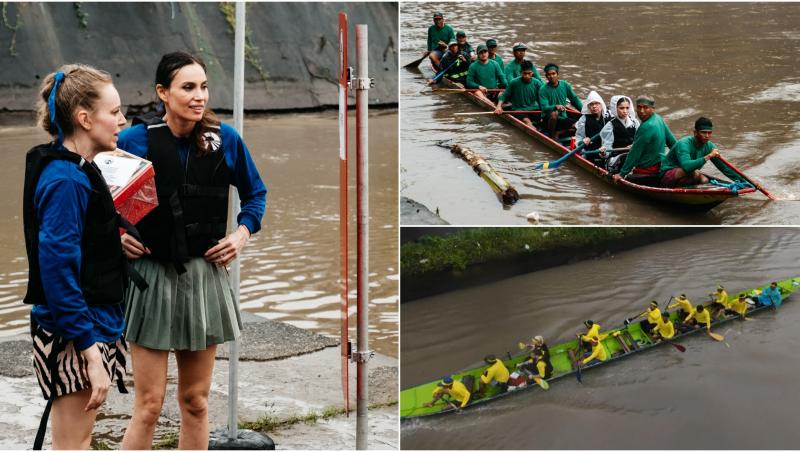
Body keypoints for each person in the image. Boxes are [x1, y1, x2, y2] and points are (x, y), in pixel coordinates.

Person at [118, 51, 267, 449]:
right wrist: (116, 235)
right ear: (163, 93)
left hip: (204, 278)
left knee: (196, 402)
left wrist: (240, 235)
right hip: (151, 276)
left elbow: (256, 195)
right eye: (187, 87)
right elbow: (97, 201)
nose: (198, 96)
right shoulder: (135, 140)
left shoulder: (227, 140)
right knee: (149, 405)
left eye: (203, 86)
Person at [23, 64, 129, 449]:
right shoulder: (66, 180)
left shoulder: (76, 168)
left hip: (90, 323)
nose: (123, 120)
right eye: (114, 112)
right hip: (75, 334)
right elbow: (57, 273)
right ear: (84, 118)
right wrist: (90, 353)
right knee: (73, 445)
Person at [660, 117, 745, 188]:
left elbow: (725, 168)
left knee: (705, 180)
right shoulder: (684, 143)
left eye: (709, 133)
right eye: (703, 132)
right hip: (667, 175)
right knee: (696, 174)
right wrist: (708, 156)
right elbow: (686, 167)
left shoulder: (710, 146)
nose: (707, 136)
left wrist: (746, 182)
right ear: (695, 133)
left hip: (687, 174)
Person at [612, 96, 676, 184]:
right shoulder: (659, 118)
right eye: (639, 107)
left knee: (620, 163)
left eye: (645, 107)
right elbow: (673, 143)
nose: (641, 111)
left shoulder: (646, 127)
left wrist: (622, 174)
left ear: (652, 109)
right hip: (661, 164)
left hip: (648, 170)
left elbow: (635, 153)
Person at [538, 63, 583, 140]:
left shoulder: (565, 85)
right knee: (554, 113)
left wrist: (585, 111)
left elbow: (574, 100)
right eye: (549, 74)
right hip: (548, 119)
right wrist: (555, 106)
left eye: (553, 74)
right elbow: (544, 107)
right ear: (546, 77)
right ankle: (552, 136)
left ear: (558, 74)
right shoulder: (543, 90)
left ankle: (559, 133)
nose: (551, 76)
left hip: (562, 117)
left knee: (579, 127)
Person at [494, 60, 543, 126]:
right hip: (519, 110)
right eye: (524, 73)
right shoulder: (514, 82)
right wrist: (499, 106)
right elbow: (504, 96)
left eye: (529, 73)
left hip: (534, 109)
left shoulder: (537, 83)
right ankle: (533, 129)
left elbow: (542, 98)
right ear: (521, 73)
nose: (527, 76)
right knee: (527, 121)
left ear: (532, 73)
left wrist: (544, 111)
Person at [574, 90, 611, 155]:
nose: (594, 106)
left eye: (597, 103)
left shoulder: (610, 116)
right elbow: (578, 138)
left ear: (601, 104)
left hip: (608, 149)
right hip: (591, 150)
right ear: (588, 107)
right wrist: (582, 141)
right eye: (591, 104)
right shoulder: (583, 119)